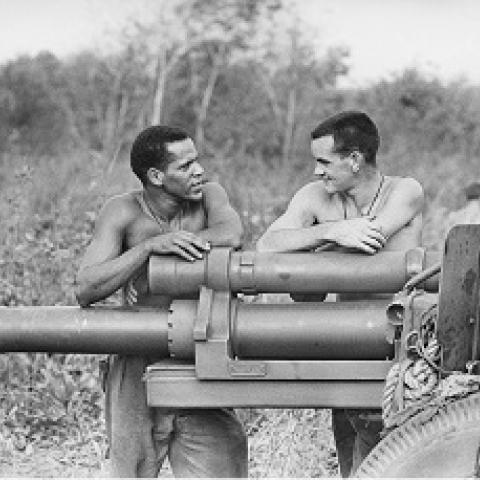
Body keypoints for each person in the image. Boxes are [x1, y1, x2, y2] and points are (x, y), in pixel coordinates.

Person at [256, 110, 424, 477]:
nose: (317, 171)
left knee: (387, 460)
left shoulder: (405, 190)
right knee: (352, 459)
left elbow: (370, 240)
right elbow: (266, 246)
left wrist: (308, 256)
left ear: (354, 159)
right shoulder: (315, 195)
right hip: (342, 341)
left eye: (324, 161)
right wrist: (330, 232)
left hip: (397, 346)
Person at [75, 125, 247, 478]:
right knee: (131, 471)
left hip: (197, 353)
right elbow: (87, 287)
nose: (198, 171)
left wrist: (164, 256)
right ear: (155, 176)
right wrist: (147, 248)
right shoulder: (122, 211)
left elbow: (231, 235)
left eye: (197, 161)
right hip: (136, 357)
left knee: (222, 467)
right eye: (185, 167)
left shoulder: (210, 196)